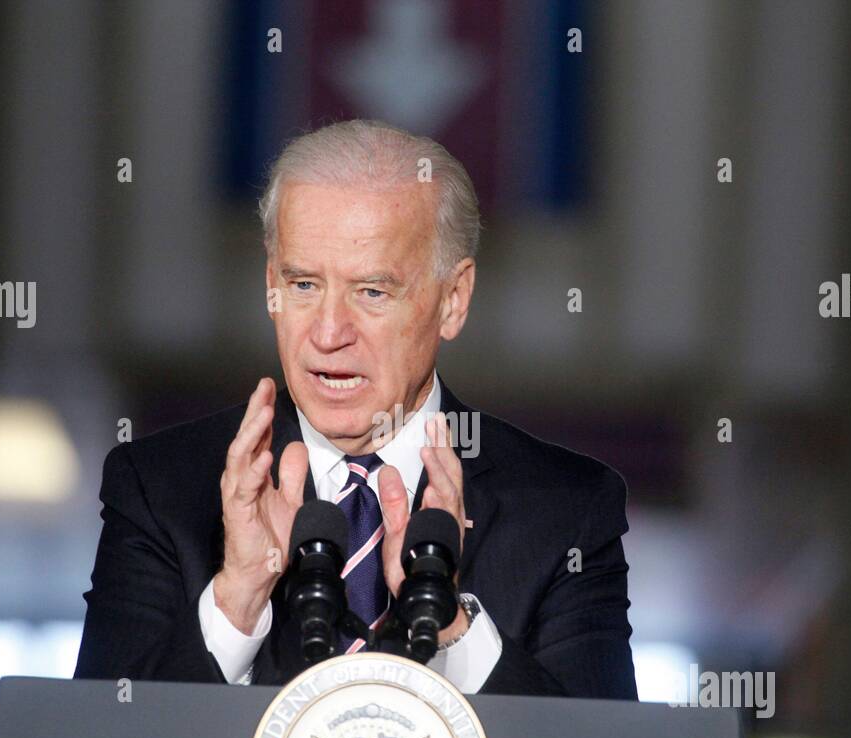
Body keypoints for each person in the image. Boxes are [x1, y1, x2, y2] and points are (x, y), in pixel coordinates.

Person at [75, 119, 636, 700]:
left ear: (453, 299)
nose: (327, 332)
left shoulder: (567, 510)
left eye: (372, 291)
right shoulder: (159, 489)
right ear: (272, 284)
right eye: (303, 285)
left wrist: (450, 626)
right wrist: (238, 596)